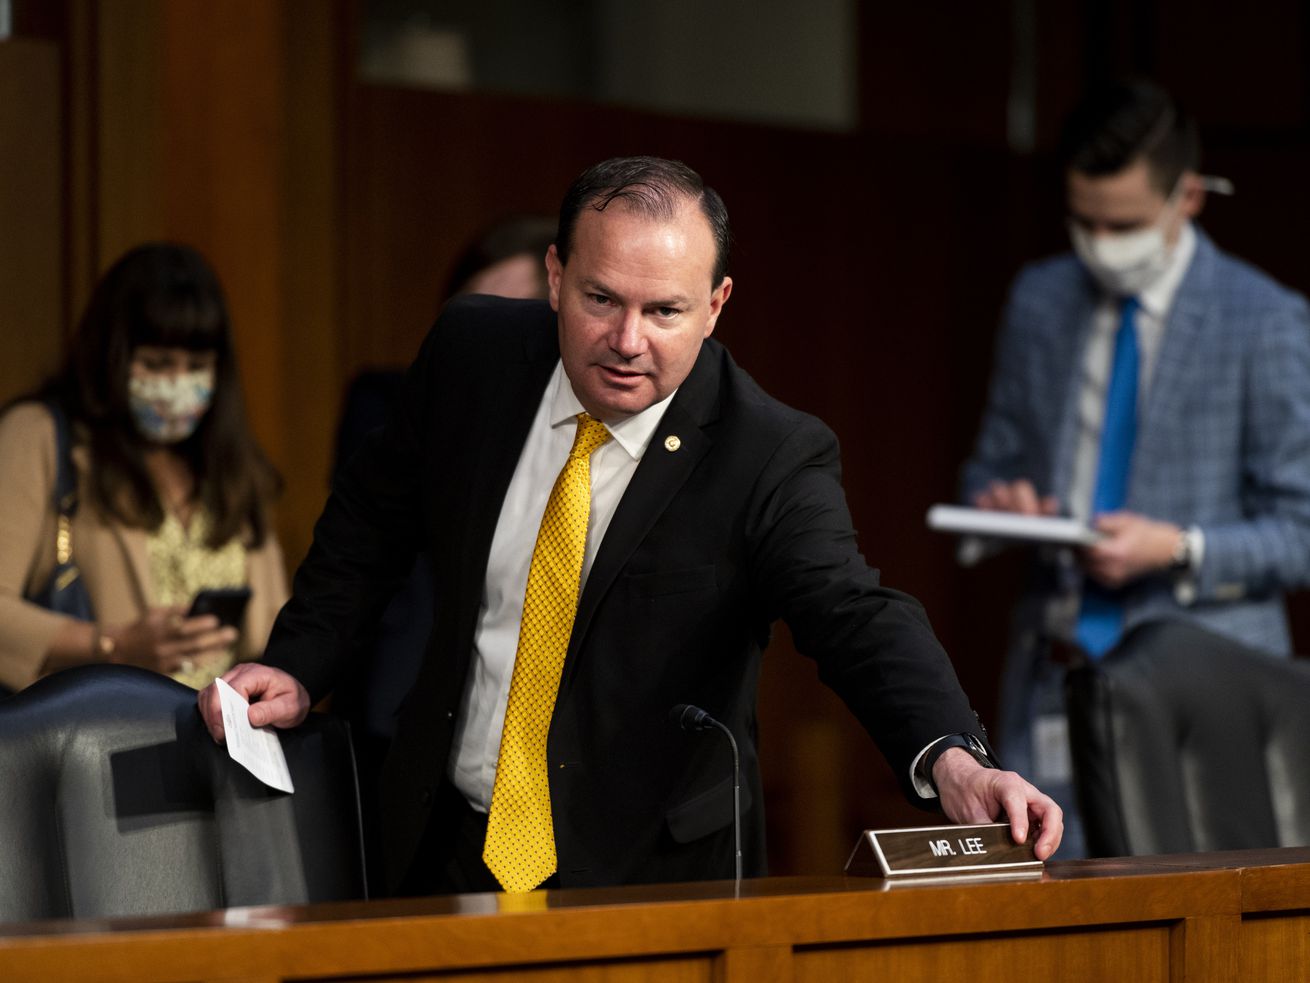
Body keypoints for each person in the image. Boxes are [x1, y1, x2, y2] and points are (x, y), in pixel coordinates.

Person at [201, 156, 1062, 896]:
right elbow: (369, 522)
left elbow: (853, 611)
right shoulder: (472, 356)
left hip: (647, 876)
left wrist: (953, 755)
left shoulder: (767, 452)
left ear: (718, 304)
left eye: (665, 312)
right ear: (553, 275)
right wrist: (300, 661)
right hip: (441, 842)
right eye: (600, 298)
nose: (626, 339)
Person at [961, 81, 1310, 854]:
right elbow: (988, 463)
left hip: (1201, 695)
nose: (1098, 241)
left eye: (1120, 224)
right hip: (1053, 678)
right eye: (1082, 221)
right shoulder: (1039, 299)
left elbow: (1302, 527)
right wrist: (1004, 504)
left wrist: (1178, 546)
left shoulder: (1266, 317)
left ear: (1188, 197)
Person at [0, 243, 289, 693]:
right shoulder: (40, 435)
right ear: (110, 356)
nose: (177, 385)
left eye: (196, 367)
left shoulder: (232, 467)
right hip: (99, 741)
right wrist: (112, 645)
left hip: (220, 750)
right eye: (157, 364)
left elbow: (274, 631)